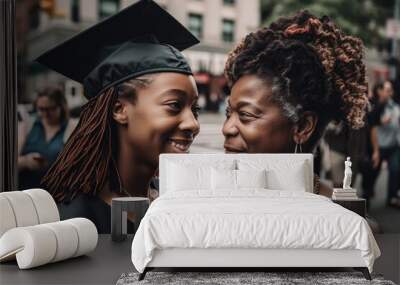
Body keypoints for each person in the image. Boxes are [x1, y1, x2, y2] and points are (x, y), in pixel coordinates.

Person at [38, 0, 200, 233]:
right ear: (119, 109)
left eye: (194, 109)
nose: (193, 124)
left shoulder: (172, 198)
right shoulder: (74, 222)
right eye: (174, 105)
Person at [222, 10, 370, 198]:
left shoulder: (344, 220)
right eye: (229, 113)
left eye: (246, 115)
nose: (227, 128)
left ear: (302, 127)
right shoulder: (214, 201)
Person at [18, 87, 75, 189]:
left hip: (56, 192)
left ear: (61, 107)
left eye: (50, 109)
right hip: (26, 191)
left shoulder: (71, 127)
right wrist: (26, 161)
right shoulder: (28, 125)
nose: (45, 114)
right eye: (41, 109)